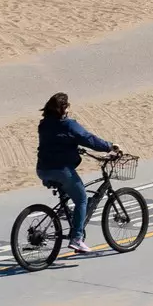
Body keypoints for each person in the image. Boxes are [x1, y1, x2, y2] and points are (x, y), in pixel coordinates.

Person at [36, 92, 119, 255]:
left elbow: (55, 142)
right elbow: (88, 138)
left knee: (68, 191)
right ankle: (77, 239)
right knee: (81, 199)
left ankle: (63, 211)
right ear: (63, 108)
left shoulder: (44, 124)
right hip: (61, 170)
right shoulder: (68, 125)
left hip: (42, 169)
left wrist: (73, 146)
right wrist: (110, 146)